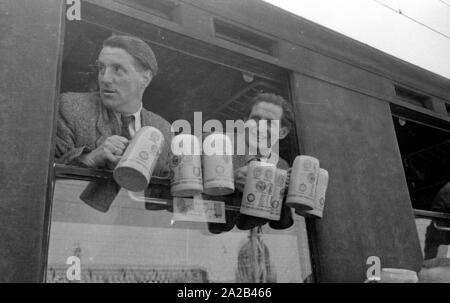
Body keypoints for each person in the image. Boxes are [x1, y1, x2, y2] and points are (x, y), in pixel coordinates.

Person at [55, 35, 173, 211]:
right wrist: (89, 159)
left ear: (145, 78)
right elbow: (40, 177)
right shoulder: (69, 107)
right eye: (101, 68)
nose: (105, 79)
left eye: (117, 69)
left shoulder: (163, 129)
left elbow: (163, 203)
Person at [208, 92, 295, 233]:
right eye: (255, 119)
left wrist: (287, 193)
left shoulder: (282, 166)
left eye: (269, 123)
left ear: (282, 132)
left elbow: (281, 225)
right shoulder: (217, 144)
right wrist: (230, 180)